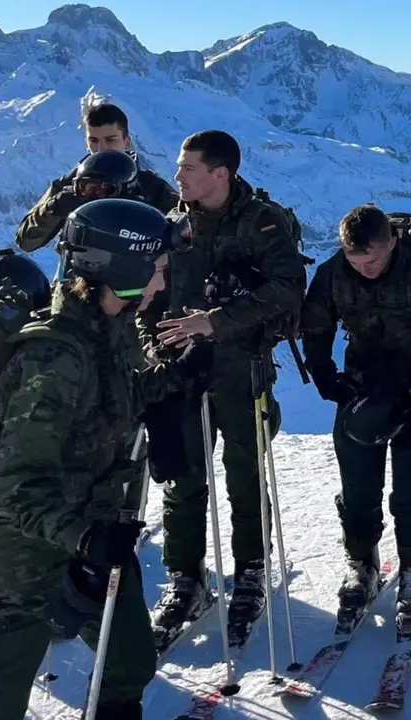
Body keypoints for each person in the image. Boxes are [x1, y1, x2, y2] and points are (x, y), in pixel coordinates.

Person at [0, 199, 204, 720]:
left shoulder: (111, 324)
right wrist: (84, 537)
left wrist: (176, 376)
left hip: (95, 527)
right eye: (154, 269)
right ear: (120, 268)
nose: (160, 282)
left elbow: (114, 399)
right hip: (25, 553)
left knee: (128, 663)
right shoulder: (54, 358)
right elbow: (15, 489)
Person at [144, 130, 307, 650]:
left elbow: (286, 288)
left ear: (221, 174)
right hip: (181, 371)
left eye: (188, 169)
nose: (178, 178)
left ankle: (252, 572)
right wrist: (153, 345)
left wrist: (214, 322)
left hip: (241, 368)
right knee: (182, 476)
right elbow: (152, 297)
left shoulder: (263, 222)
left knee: (244, 474)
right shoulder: (174, 226)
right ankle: (186, 577)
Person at [299, 204, 411, 618]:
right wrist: (323, 374)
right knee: (357, 486)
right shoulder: (336, 271)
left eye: (371, 260)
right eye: (356, 260)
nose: (364, 269)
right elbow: (316, 322)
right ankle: (361, 563)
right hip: (364, 383)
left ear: (391, 242)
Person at [14, 102, 179, 253]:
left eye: (110, 140)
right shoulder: (69, 185)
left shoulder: (151, 186)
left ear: (126, 141)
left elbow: (182, 231)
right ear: (86, 143)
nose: (101, 148)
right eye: (93, 140)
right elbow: (26, 242)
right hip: (78, 278)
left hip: (139, 278)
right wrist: (52, 209)